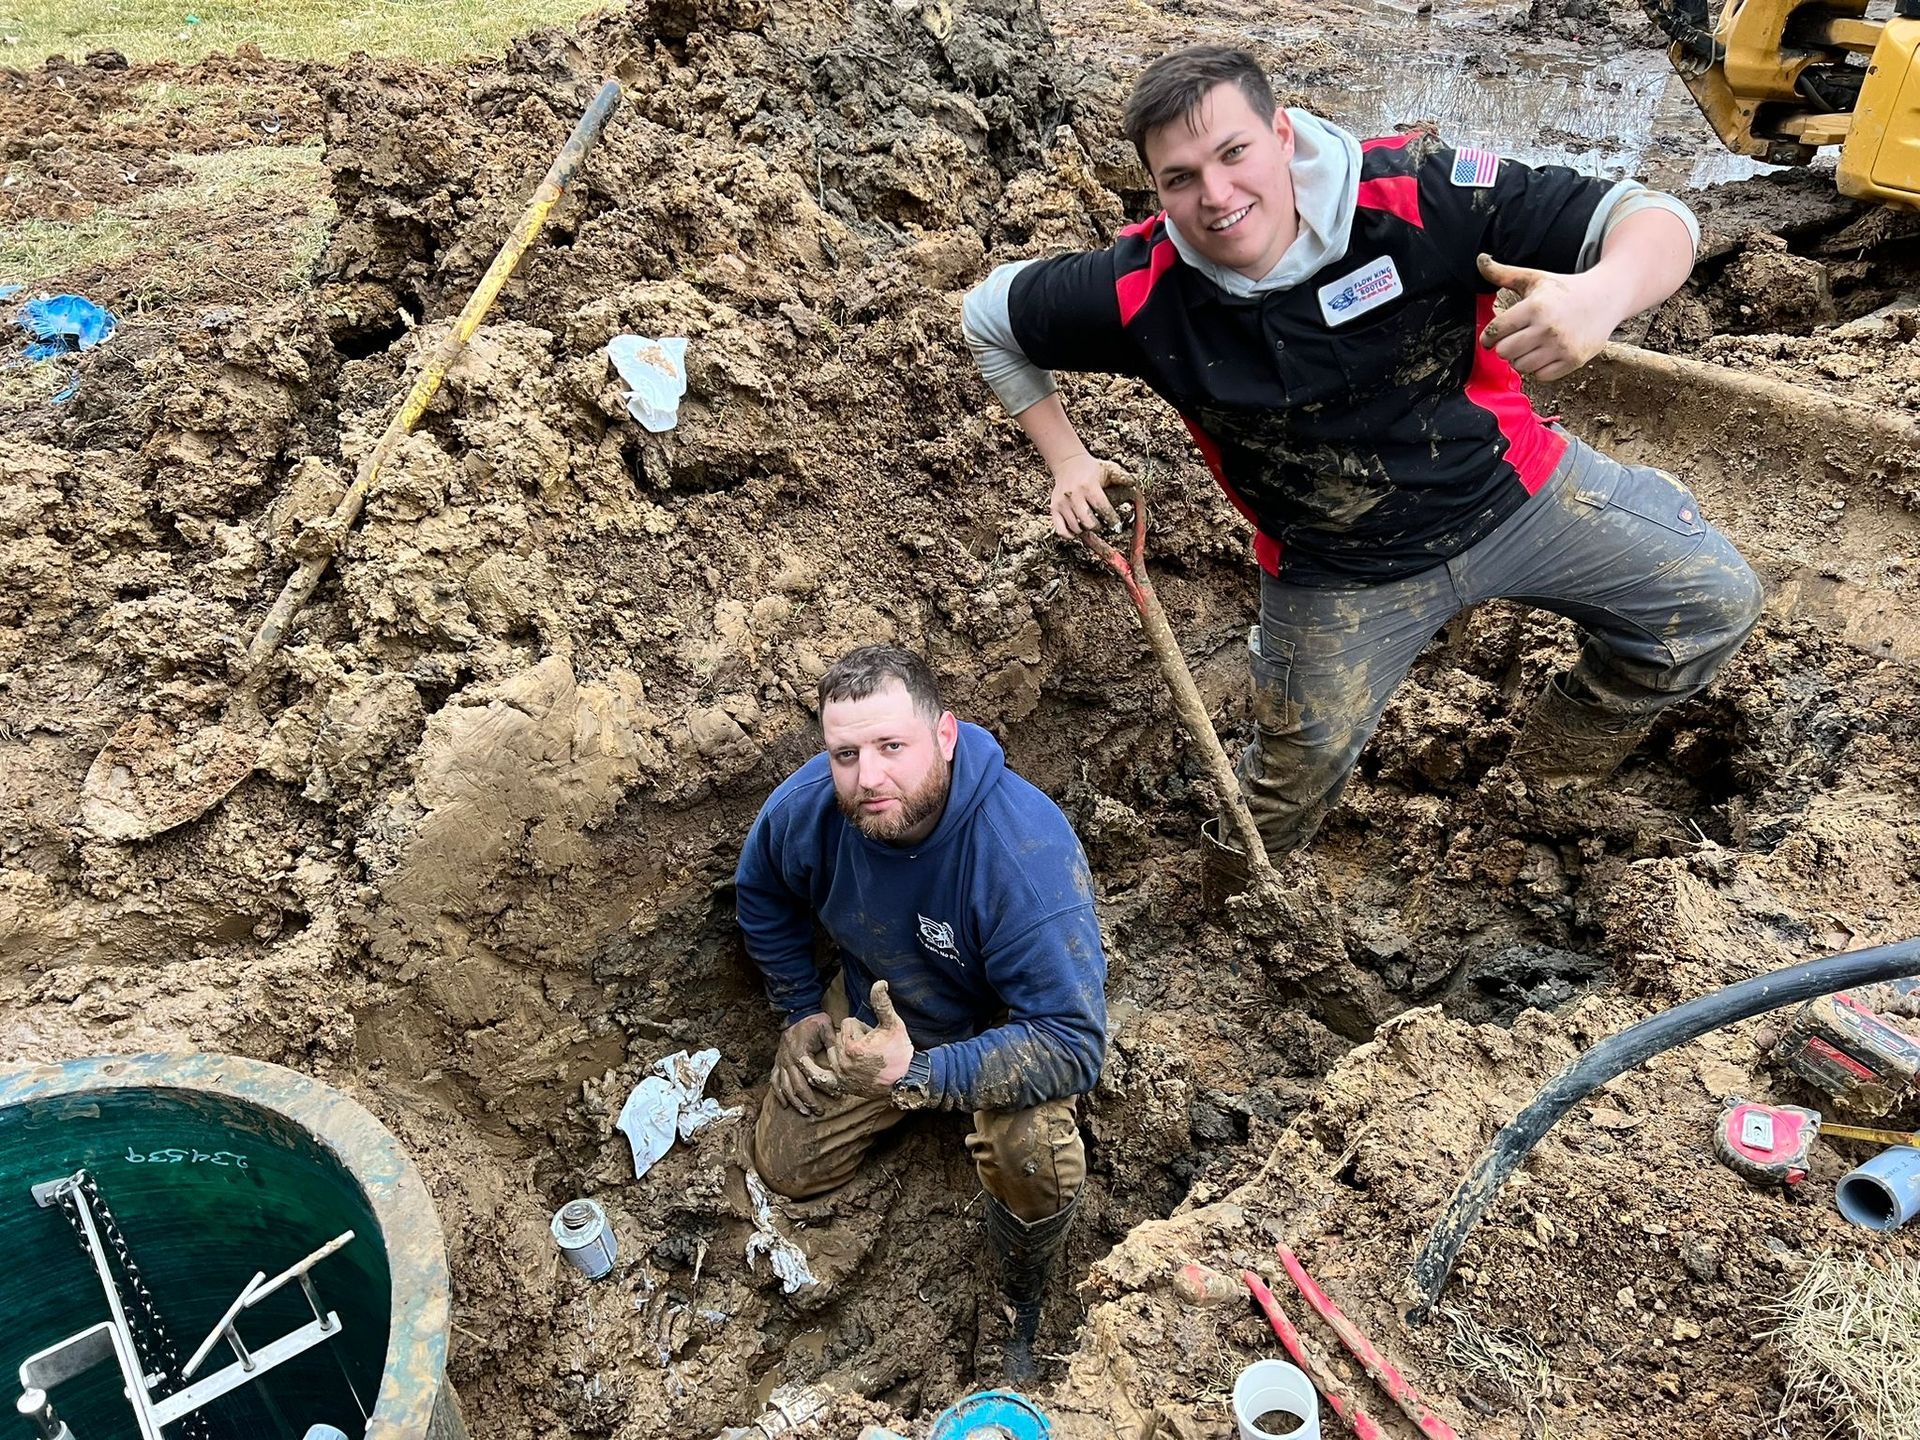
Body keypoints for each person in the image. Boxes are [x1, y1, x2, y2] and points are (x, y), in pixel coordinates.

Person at [962, 45, 1765, 855]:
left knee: (1711, 605)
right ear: (1155, 188)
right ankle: (1248, 926)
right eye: (1180, 178)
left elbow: (1654, 218)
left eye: (1234, 153)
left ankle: (1549, 784)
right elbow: (988, 318)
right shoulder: (1139, 291)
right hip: (1332, 571)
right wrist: (1067, 458)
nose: (1217, 195)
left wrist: (1601, 294)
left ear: (1281, 132)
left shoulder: (1418, 194)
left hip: (1515, 494)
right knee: (1275, 808)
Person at [735, 644, 1106, 1378]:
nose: (867, 778)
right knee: (786, 1164)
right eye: (845, 753)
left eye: (891, 746)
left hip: (1012, 1029)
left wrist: (922, 1072)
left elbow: (1072, 1043)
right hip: (882, 1012)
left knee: (1030, 1151)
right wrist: (801, 1009)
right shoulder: (808, 811)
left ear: (944, 736)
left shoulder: (1020, 858)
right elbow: (762, 892)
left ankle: (1022, 1298)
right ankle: (898, 1092)